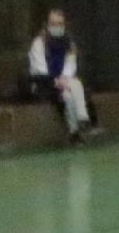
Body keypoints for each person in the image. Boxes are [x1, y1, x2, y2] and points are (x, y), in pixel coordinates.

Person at [25, 9, 97, 141]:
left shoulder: (69, 43)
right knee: (73, 86)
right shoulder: (39, 43)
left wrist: (64, 78)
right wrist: (55, 81)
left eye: (60, 23)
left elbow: (70, 65)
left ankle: (75, 130)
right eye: (53, 23)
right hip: (44, 83)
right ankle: (82, 118)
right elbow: (39, 69)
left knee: (70, 92)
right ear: (47, 25)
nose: (57, 27)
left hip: (65, 81)